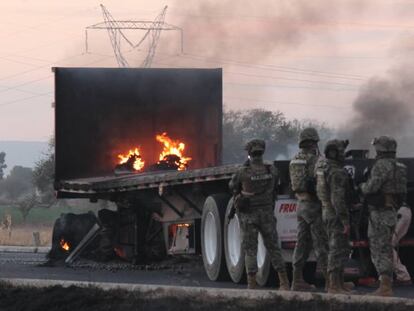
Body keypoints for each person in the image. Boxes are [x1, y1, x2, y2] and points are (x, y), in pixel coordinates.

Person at [229, 139, 289, 290]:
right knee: (273, 247)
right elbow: (276, 185)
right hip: (267, 214)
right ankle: (284, 282)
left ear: (249, 153)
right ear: (262, 151)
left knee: (250, 250)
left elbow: (232, 185)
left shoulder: (243, 172)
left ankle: (252, 284)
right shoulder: (271, 170)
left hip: (249, 216)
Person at [360, 136, 407, 297]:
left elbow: (371, 188)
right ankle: (387, 284)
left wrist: (362, 186)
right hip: (392, 212)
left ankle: (385, 286)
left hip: (379, 213)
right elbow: (402, 192)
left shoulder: (381, 165)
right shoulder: (400, 166)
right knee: (387, 248)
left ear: (381, 149)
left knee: (378, 250)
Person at [289, 127, 328, 291]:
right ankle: (330, 282)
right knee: (322, 244)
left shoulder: (295, 159)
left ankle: (296, 280)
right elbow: (322, 182)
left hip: (301, 204)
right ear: (314, 142)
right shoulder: (316, 160)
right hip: (313, 205)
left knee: (302, 244)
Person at [315, 139, 352, 294]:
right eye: (341, 151)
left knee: (336, 248)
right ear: (333, 152)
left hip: (326, 211)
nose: (344, 154)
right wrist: (345, 221)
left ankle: (339, 284)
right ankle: (334, 285)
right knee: (337, 249)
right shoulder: (337, 172)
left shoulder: (322, 167)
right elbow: (337, 199)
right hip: (335, 214)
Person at [392, 205, 412, 285]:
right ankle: (402, 276)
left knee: (385, 246)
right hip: (405, 211)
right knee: (388, 245)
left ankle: (403, 276)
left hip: (397, 212)